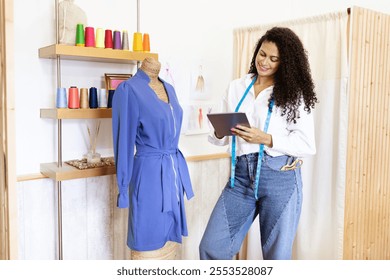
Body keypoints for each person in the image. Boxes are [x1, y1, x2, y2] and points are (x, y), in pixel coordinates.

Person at [199, 27, 317, 260]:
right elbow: (218, 137)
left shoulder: (294, 93)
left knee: (276, 257)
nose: (265, 62)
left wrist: (266, 138)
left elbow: (307, 144)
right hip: (241, 177)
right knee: (212, 247)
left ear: (285, 63)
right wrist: (221, 131)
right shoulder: (237, 87)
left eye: (274, 59)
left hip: (280, 177)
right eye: (262, 54)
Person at [112, 57, 194, 259]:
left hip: (172, 175)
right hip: (148, 177)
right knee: (146, 246)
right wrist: (123, 189)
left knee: (169, 245)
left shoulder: (170, 89)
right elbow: (123, 143)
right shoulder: (128, 90)